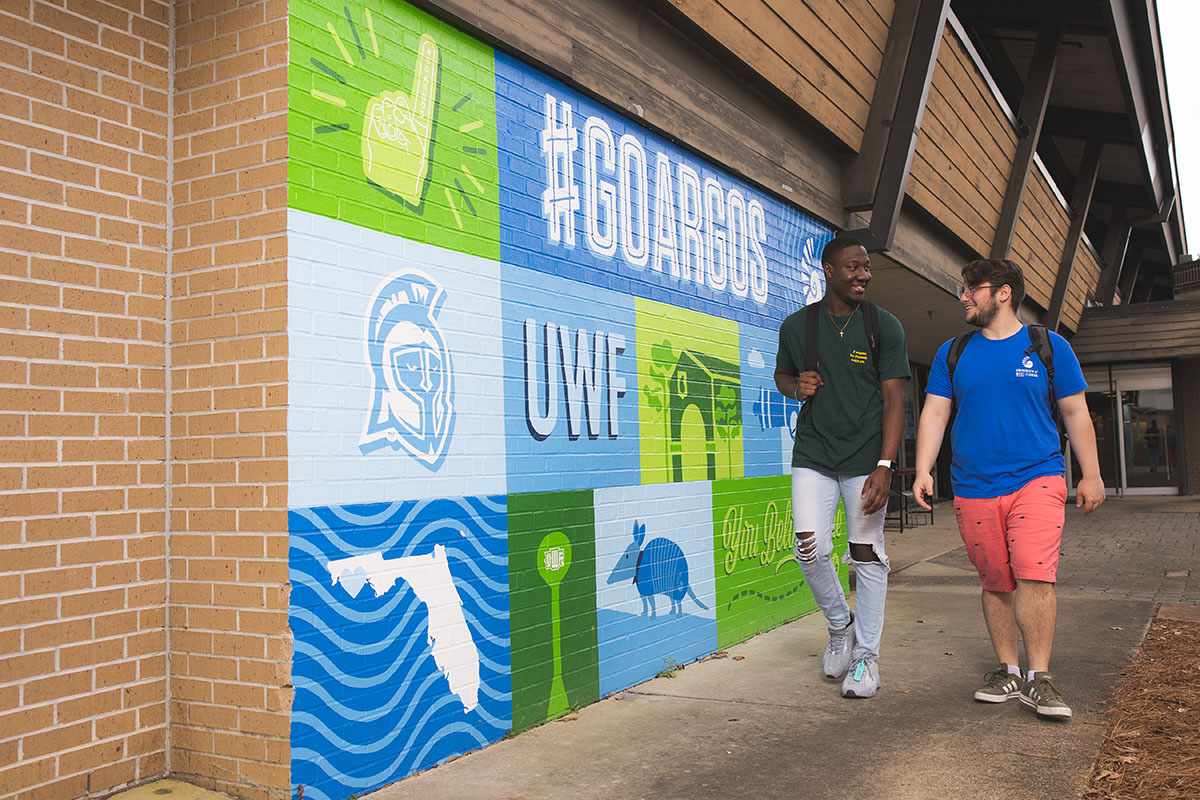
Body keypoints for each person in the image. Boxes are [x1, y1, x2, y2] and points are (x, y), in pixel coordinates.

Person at [912, 258, 1105, 719]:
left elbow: (1075, 411)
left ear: (1003, 293)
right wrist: (922, 469)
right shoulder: (952, 352)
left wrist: (1092, 474)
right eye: (962, 289)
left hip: (1037, 476)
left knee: (1034, 573)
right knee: (996, 580)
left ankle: (1040, 677)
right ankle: (1008, 670)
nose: (963, 297)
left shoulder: (1048, 346)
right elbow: (935, 412)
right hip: (973, 485)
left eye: (971, 289)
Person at [774, 234, 910, 698]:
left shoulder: (882, 326)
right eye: (854, 267)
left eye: (867, 268)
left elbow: (895, 399)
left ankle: (867, 658)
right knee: (808, 548)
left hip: (866, 460)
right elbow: (782, 375)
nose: (863, 275)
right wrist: (797, 387)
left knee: (865, 552)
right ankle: (839, 626)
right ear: (829, 270)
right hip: (814, 453)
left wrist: (886, 464)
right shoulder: (797, 326)